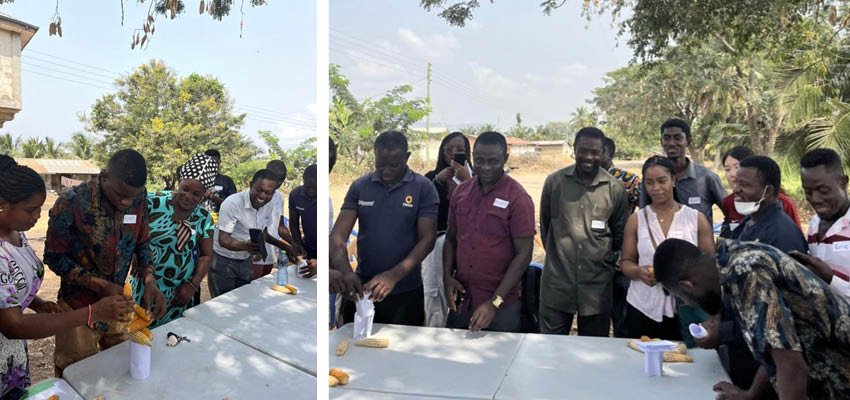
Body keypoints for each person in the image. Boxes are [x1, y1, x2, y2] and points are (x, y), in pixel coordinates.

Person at [0, 156, 133, 398]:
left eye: (39, 208)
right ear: (2, 205)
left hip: (12, 355)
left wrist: (37, 303)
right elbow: (12, 325)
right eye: (30, 210)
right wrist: (92, 312)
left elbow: (10, 285)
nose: (38, 216)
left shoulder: (15, 233)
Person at [654, 238, 850, 399]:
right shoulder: (730, 264)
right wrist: (751, 395)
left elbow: (792, 367)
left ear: (688, 285)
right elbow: (776, 344)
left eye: (682, 297)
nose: (689, 304)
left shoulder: (746, 272)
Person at [44, 149, 166, 376]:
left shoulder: (139, 198)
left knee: (119, 373)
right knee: (77, 375)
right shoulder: (70, 203)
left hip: (119, 308)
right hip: (79, 310)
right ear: (104, 176)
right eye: (120, 194)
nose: (126, 201)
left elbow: (142, 240)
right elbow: (54, 257)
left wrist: (150, 278)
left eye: (132, 196)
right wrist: (99, 285)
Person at [330, 131, 438, 326]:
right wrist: (346, 272)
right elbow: (337, 237)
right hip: (362, 289)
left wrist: (394, 275)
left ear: (407, 157)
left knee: (401, 353)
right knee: (354, 350)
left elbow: (428, 239)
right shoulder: (360, 186)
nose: (387, 170)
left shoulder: (423, 188)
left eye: (395, 165)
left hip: (405, 292)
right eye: (381, 164)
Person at [539, 127, 630, 336]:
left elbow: (618, 236)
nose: (588, 157)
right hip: (557, 286)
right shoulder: (554, 183)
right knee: (550, 349)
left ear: (603, 152)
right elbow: (546, 228)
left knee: (593, 350)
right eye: (583, 150)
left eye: (595, 152)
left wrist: (604, 262)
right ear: (574, 149)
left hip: (596, 289)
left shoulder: (615, 189)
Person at [443, 132, 534, 332]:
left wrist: (494, 302)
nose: (485, 167)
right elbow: (451, 239)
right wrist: (447, 277)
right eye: (480, 161)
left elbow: (524, 253)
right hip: (462, 298)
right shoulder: (461, 192)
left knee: (501, 360)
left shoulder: (518, 198)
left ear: (506, 159)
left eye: (493, 161)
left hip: (501, 305)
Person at [617, 156, 714, 340]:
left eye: (662, 181)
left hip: (685, 308)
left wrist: (686, 276)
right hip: (643, 305)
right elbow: (626, 262)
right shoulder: (637, 220)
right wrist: (639, 272)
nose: (656, 188)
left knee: (684, 362)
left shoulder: (695, 219)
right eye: (649, 182)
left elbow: (710, 264)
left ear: (674, 180)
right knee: (643, 360)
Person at [130, 154, 217, 328]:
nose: (188, 196)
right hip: (145, 284)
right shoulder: (152, 202)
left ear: (204, 194)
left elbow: (206, 255)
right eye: (184, 189)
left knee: (173, 337)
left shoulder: (203, 217)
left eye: (196, 194)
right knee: (140, 333)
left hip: (180, 291)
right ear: (179, 182)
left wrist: (192, 286)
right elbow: (130, 235)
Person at [209, 169, 290, 297]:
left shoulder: (269, 205)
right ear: (251, 185)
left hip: (245, 260)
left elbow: (263, 233)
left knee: (244, 299)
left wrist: (262, 248)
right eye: (259, 190)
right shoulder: (232, 203)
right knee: (223, 304)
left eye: (268, 193)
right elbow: (223, 240)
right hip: (223, 260)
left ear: (274, 192)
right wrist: (246, 247)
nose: (262, 196)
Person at [422, 131, 472, 327]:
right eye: (448, 148)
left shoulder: (476, 178)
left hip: (466, 245)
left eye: (459, 149)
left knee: (461, 289)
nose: (453, 153)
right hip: (435, 244)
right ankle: (435, 330)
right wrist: (438, 181)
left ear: (467, 152)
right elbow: (424, 207)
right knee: (434, 291)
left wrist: (468, 181)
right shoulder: (430, 178)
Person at [638, 119, 726, 223]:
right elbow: (644, 216)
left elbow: (732, 214)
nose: (671, 143)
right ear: (661, 142)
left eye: (677, 138)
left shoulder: (707, 178)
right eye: (666, 138)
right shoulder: (652, 178)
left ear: (688, 141)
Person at [791, 148, 850, 300]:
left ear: (843, 182)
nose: (815, 199)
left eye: (823, 190)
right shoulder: (814, 224)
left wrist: (830, 278)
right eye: (808, 192)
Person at [601, 136, 640, 335]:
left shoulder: (630, 180)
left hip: (622, 257)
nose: (595, 156)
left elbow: (647, 213)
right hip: (594, 259)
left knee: (622, 313)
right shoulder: (580, 180)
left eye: (600, 151)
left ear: (610, 153)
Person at [728, 156, 807, 254]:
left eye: (744, 184)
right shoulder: (748, 222)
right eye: (736, 183)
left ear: (768, 191)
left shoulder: (782, 234)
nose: (736, 189)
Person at [720, 146, 800, 236]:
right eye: (727, 169)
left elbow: (795, 235)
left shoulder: (784, 202)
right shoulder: (728, 202)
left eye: (737, 167)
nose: (732, 174)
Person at [289, 164, 318, 278]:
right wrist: (299, 245)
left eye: (315, 188)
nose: (311, 191)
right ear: (303, 180)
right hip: (308, 247)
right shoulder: (295, 195)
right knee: (305, 279)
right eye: (307, 187)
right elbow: (293, 223)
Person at [202, 149, 238, 220]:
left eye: (216, 162)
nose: (213, 164)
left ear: (220, 162)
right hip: (200, 220)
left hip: (221, 221)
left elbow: (233, 205)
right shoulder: (197, 179)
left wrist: (211, 196)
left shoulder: (227, 181)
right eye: (210, 162)